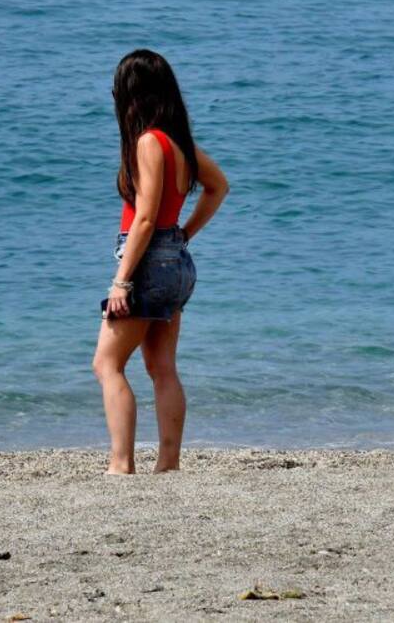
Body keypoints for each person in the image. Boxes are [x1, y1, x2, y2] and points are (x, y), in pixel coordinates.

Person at [92, 49, 229, 475]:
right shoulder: (180, 145)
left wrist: (121, 282)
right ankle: (168, 465)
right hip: (175, 262)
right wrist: (184, 235)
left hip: (148, 262)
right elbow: (219, 187)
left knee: (107, 364)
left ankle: (121, 464)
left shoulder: (149, 142)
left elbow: (146, 217)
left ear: (132, 95)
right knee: (161, 367)